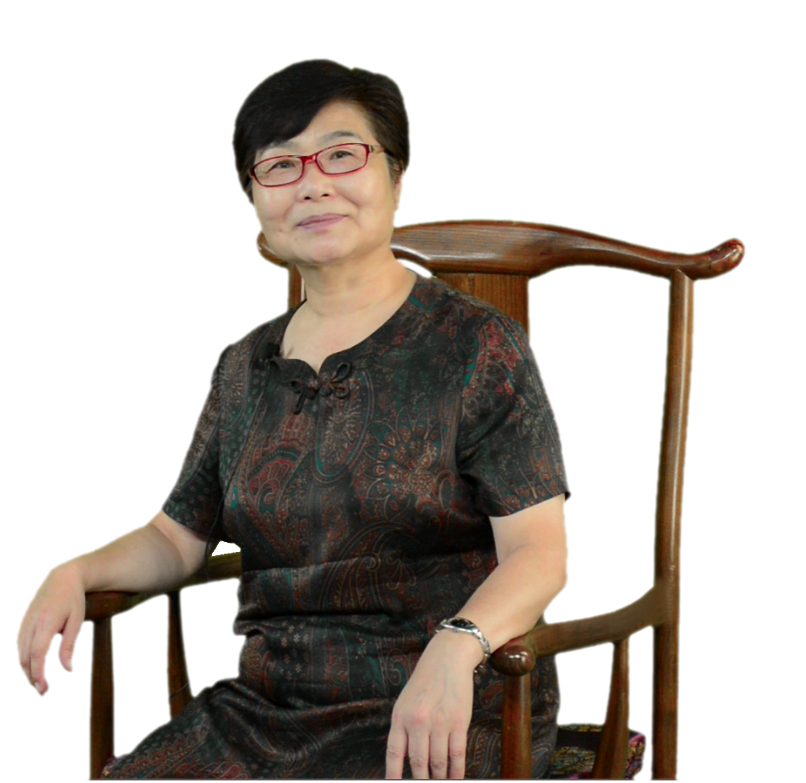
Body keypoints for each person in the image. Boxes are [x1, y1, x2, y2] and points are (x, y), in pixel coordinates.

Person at [18, 60, 569, 779]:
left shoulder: (477, 345)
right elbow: (175, 538)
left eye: (341, 154)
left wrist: (458, 644)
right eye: (280, 165)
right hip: (269, 710)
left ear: (395, 176)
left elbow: (538, 552)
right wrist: (75, 570)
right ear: (255, 197)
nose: (312, 183)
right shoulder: (244, 368)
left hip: (447, 704)